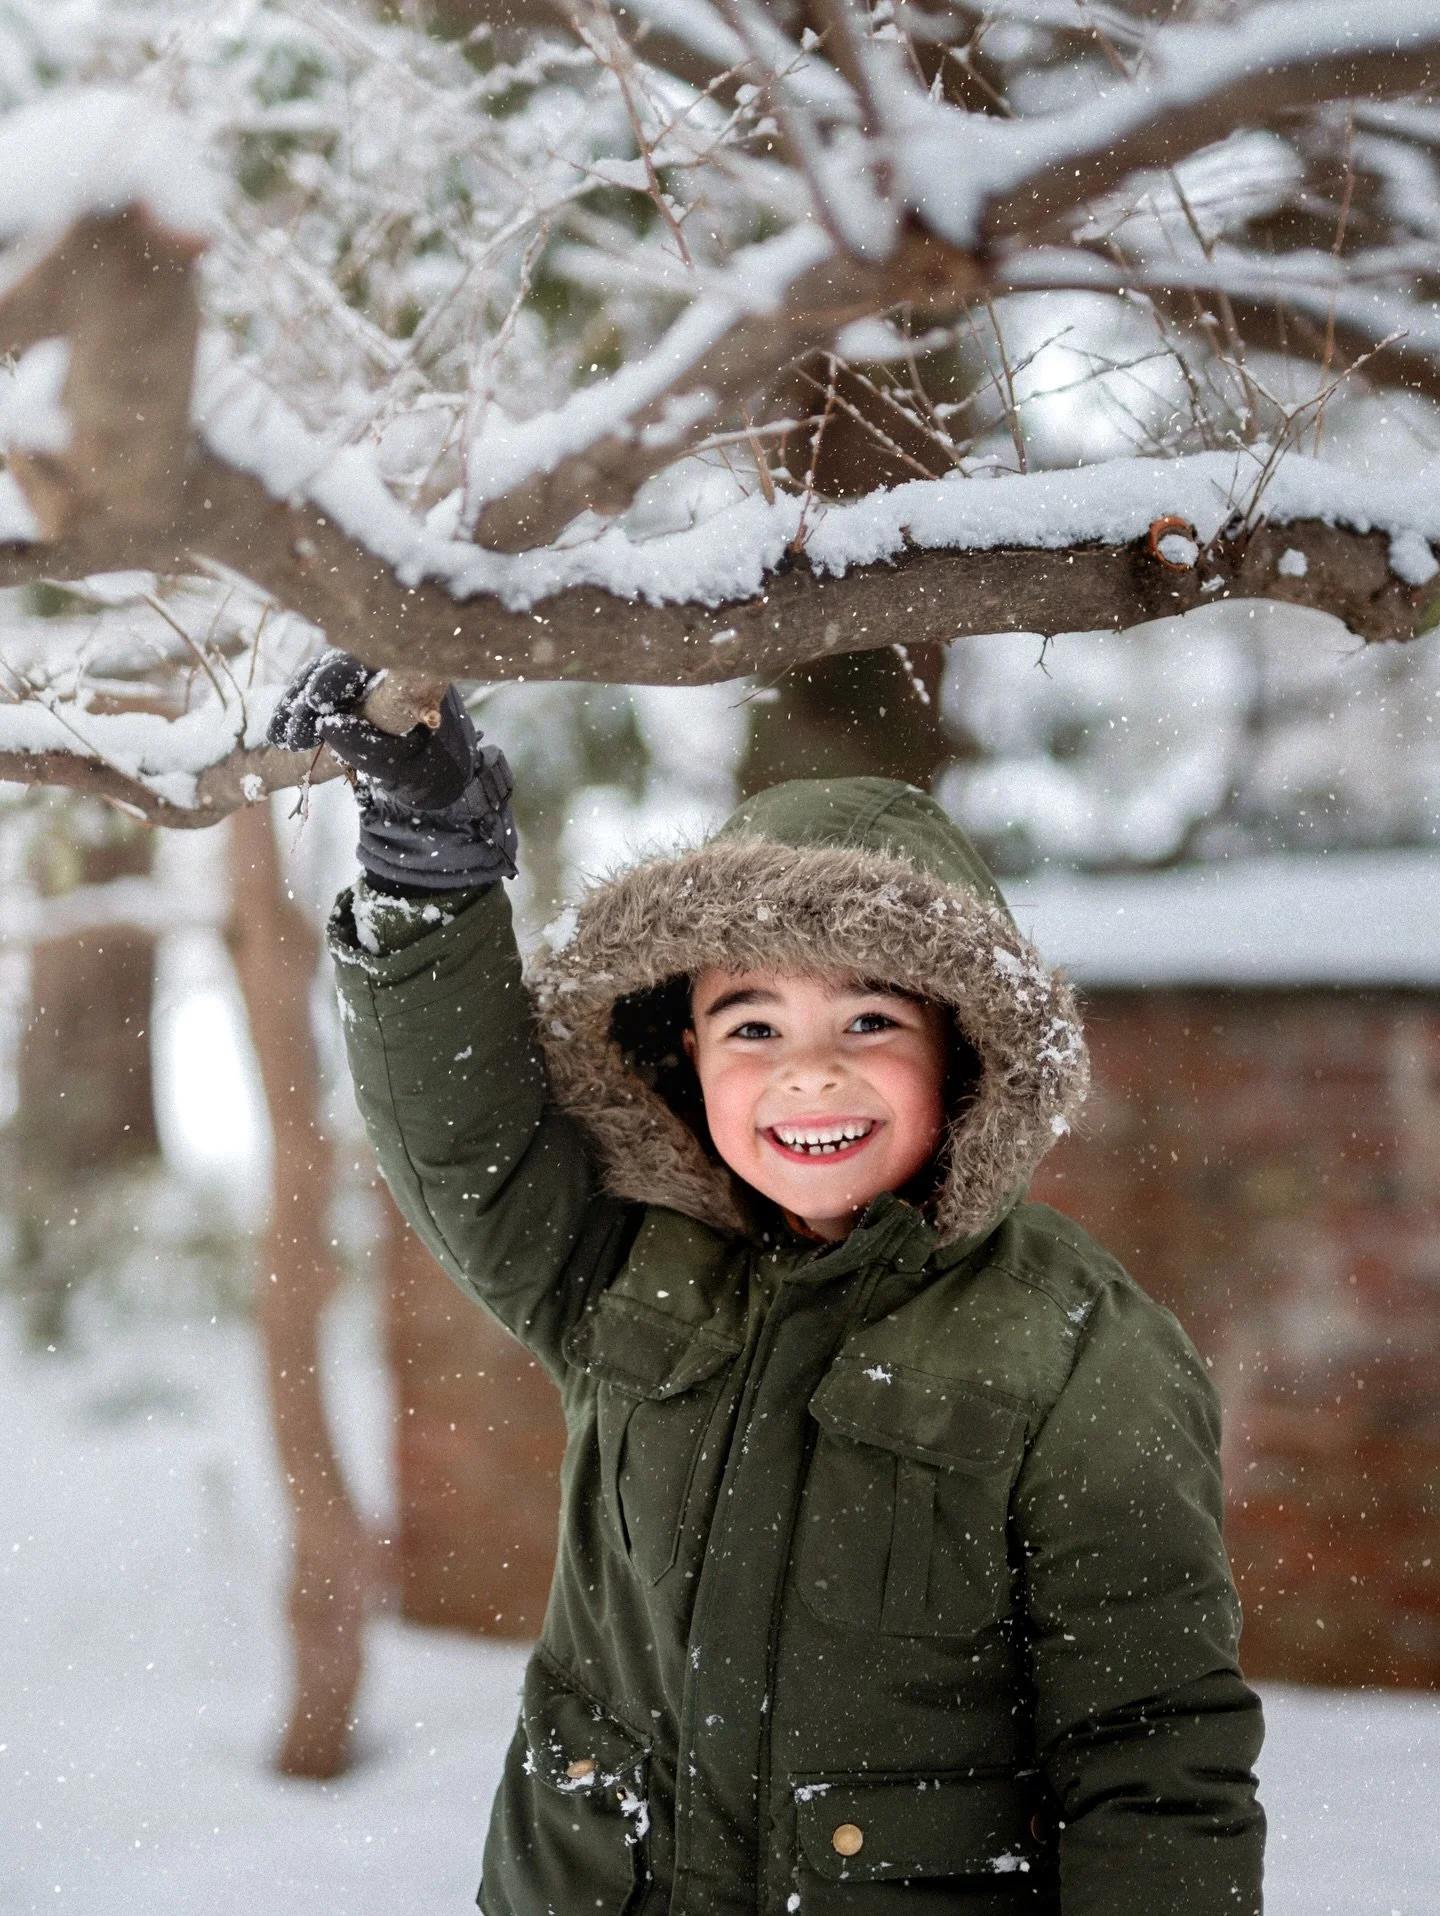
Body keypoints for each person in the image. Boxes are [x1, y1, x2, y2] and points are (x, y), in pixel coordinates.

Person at [271, 651, 1265, 1916]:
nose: (808, 1075)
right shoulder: (624, 1258)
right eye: (753, 1026)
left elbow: (1153, 1749)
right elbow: (466, 1143)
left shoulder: (1074, 1344)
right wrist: (431, 865)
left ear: (965, 1050)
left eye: (869, 1023)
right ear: (684, 1053)